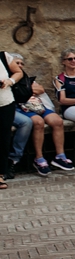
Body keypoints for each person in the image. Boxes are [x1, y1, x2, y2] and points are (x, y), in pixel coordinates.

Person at [7, 54, 73, 176]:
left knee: (57, 121)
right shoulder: (8, 78)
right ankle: (39, 158)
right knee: (38, 122)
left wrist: (24, 90)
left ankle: (60, 156)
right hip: (23, 109)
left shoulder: (25, 78)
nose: (20, 65)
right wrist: (29, 90)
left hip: (38, 106)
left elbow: (40, 89)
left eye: (22, 63)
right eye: (17, 63)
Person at [0, 48, 22, 189]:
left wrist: (9, 81)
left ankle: (0, 174)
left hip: (5, 103)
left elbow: (18, 72)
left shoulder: (3, 56)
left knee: (3, 138)